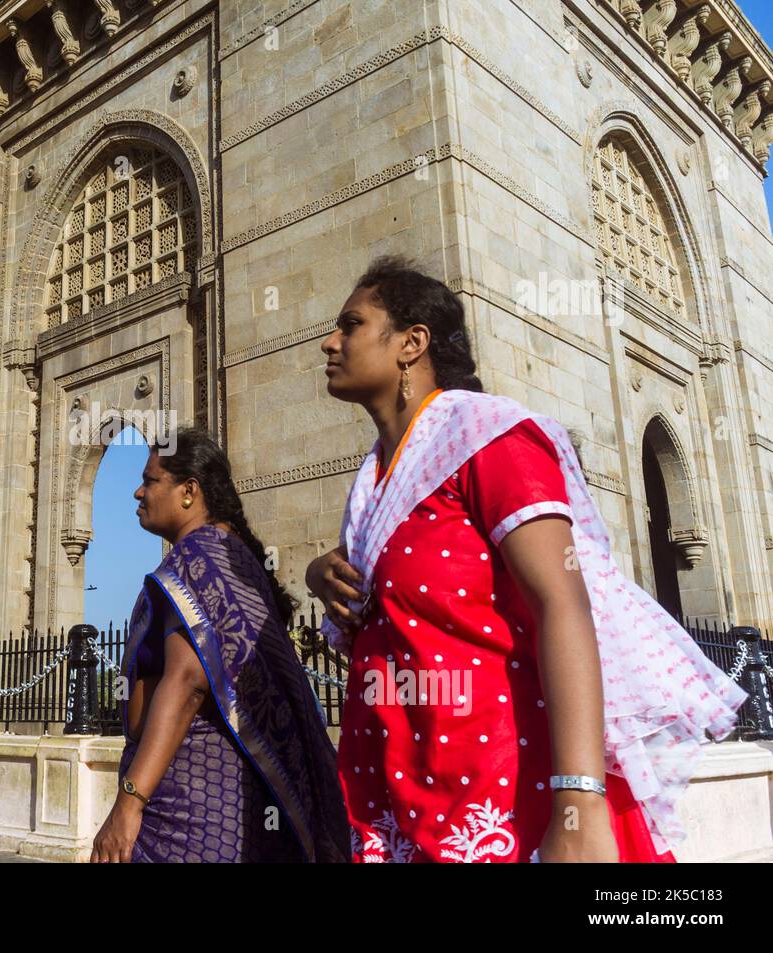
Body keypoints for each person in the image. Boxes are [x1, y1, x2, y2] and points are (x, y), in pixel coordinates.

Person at [306, 256, 745, 863]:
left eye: (350, 324)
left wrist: (581, 801)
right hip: (398, 787)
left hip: (500, 796)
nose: (329, 341)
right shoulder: (371, 482)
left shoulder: (492, 438)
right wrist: (321, 572)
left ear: (412, 344)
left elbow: (562, 602)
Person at [90, 426, 349, 863]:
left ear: (189, 491)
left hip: (188, 813)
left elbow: (188, 680)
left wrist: (129, 802)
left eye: (151, 480)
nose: (138, 492)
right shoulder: (228, 557)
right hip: (216, 803)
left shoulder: (198, 559)